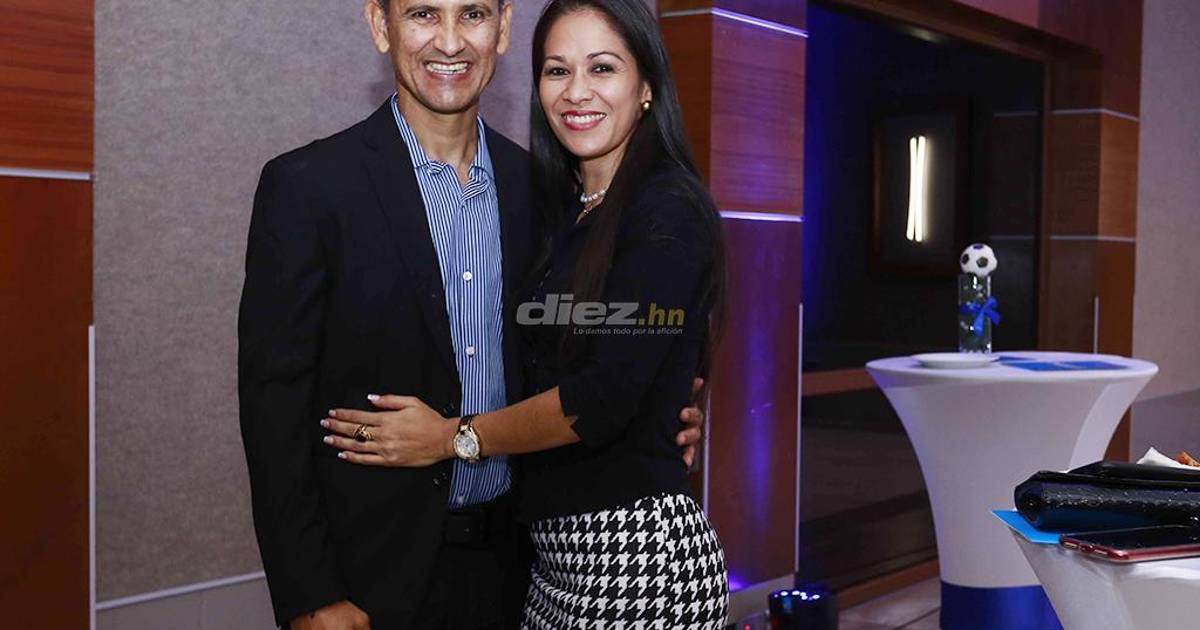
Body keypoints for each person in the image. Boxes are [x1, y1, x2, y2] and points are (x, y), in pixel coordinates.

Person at [237, 0, 706, 628]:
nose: (451, 41)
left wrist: (665, 407)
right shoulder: (309, 187)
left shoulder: (545, 192)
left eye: (474, 14)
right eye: (424, 14)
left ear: (504, 28)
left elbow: (602, 358)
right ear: (380, 25)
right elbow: (273, 409)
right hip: (367, 581)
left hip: (520, 571)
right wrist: (310, 595)